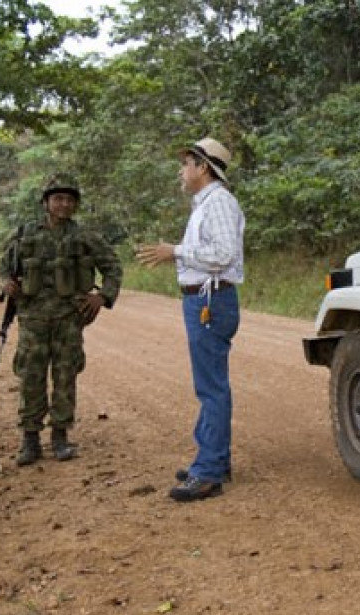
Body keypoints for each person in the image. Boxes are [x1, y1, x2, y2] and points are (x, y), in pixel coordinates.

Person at [135, 137, 244, 503]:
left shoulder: (219, 203)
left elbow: (225, 254)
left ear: (203, 167)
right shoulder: (206, 204)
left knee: (211, 387)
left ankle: (209, 471)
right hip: (204, 300)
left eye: (186, 164)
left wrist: (176, 251)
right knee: (211, 384)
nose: (182, 171)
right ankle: (214, 458)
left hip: (211, 301)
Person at [0, 174, 122, 466]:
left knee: (65, 375)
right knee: (31, 375)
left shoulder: (85, 237)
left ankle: (60, 437)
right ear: (46, 202)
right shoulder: (24, 234)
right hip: (32, 317)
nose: (64, 204)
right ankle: (30, 439)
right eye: (58, 199)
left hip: (69, 317)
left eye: (69, 199)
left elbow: (113, 266)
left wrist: (102, 297)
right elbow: (4, 267)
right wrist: (6, 283)